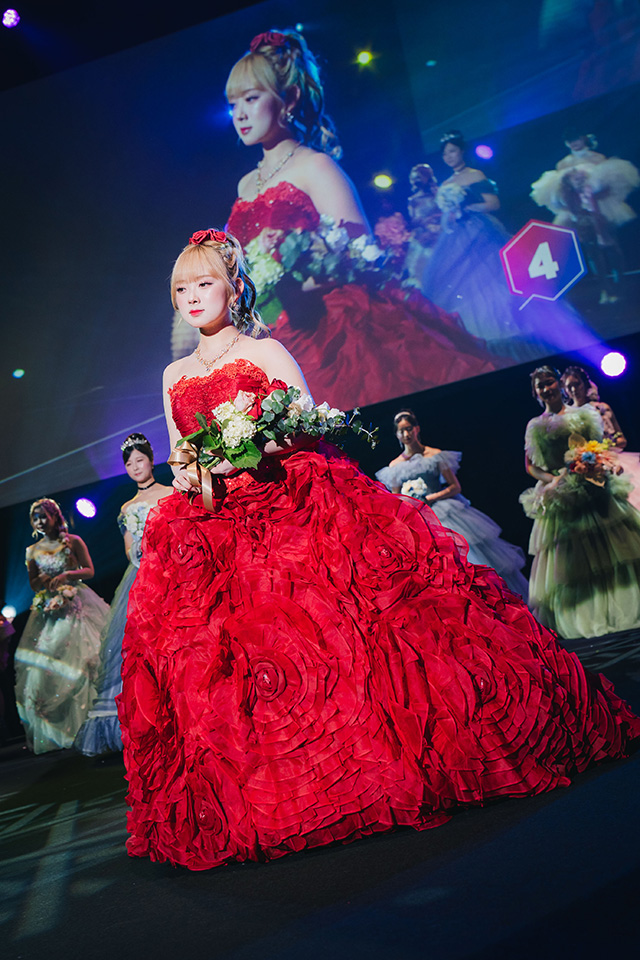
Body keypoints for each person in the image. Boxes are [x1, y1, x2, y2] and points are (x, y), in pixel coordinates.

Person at [117, 229, 640, 871]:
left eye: (205, 283)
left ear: (233, 287)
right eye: (182, 289)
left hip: (289, 506)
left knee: (342, 639)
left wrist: (244, 448)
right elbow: (179, 451)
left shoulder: (266, 350)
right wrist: (192, 472)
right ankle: (280, 795)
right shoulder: (173, 373)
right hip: (214, 524)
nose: (193, 297)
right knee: (238, 666)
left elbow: (303, 422)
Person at [222, 30, 498, 410]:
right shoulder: (244, 184)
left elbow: (362, 255)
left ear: (290, 98)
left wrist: (296, 279)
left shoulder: (316, 166)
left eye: (251, 98)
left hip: (332, 336)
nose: (240, 113)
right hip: (275, 340)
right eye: (233, 104)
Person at [422, 131, 594, 360]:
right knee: (462, 281)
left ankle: (515, 323)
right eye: (445, 154)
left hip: (481, 231)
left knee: (497, 276)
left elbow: (493, 204)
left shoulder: (475, 175)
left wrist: (466, 207)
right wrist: (451, 216)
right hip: (456, 236)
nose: (449, 157)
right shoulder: (446, 183)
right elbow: (446, 215)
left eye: (452, 151)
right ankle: (476, 327)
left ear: (461, 151)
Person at [520, 366, 640, 639]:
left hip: (592, 484)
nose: (546, 389)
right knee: (575, 558)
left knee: (615, 547)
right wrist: (553, 479)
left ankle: (623, 603)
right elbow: (531, 466)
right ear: (535, 393)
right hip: (562, 491)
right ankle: (589, 613)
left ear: (558, 384)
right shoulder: (535, 425)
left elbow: (598, 446)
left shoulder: (583, 414)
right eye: (540, 386)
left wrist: (599, 464)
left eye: (549, 382)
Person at [75, 436, 172, 756]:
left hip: (171, 568)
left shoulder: (170, 494)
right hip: (142, 576)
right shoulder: (126, 508)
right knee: (140, 646)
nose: (135, 467)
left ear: (151, 460)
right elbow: (129, 549)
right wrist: (139, 552)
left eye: (139, 460)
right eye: (129, 464)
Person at [376, 409, 528, 597]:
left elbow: (455, 487)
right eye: (401, 431)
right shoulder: (394, 466)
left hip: (443, 511)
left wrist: (430, 498)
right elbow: (396, 500)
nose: (406, 434)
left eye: (409, 429)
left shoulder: (435, 455)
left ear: (417, 429)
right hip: (417, 520)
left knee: (466, 557)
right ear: (397, 435)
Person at [14, 499, 109, 754]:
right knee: (48, 664)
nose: (39, 521)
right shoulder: (32, 550)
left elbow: (89, 570)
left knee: (86, 659)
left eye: (43, 516)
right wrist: (43, 581)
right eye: (35, 518)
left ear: (55, 516)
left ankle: (95, 725)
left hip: (77, 603)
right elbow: (33, 584)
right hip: (50, 609)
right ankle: (61, 730)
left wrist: (68, 575)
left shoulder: (73, 541)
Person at [530, 129, 639, 305]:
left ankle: (620, 282)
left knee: (610, 244)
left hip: (600, 208)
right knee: (591, 250)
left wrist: (594, 196)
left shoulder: (597, 158)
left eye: (576, 139)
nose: (574, 143)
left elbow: (609, 183)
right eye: (570, 141)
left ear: (583, 139)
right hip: (578, 211)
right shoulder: (563, 164)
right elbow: (559, 192)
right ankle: (605, 288)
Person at [560, 365, 640, 513]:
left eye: (577, 384)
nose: (574, 389)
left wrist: (610, 444)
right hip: (590, 465)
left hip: (615, 458)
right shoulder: (567, 416)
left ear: (585, 384)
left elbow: (621, 439)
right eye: (569, 386)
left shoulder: (601, 408)